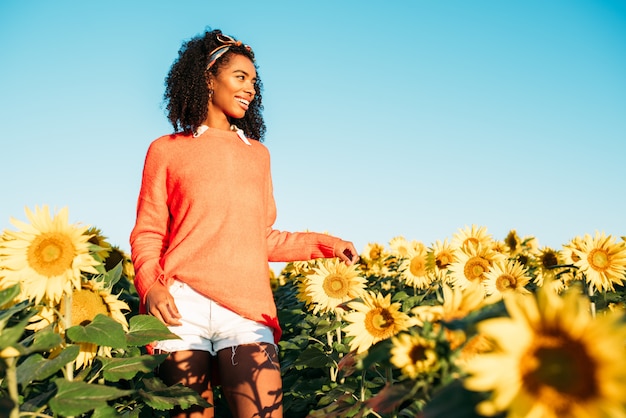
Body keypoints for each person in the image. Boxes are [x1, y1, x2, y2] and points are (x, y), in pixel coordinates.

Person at [129, 28, 359, 418]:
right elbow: (149, 232)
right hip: (181, 306)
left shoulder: (258, 156)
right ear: (207, 78)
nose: (251, 88)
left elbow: (261, 238)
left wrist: (327, 245)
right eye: (240, 77)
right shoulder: (166, 150)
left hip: (247, 309)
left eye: (254, 81)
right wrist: (150, 286)